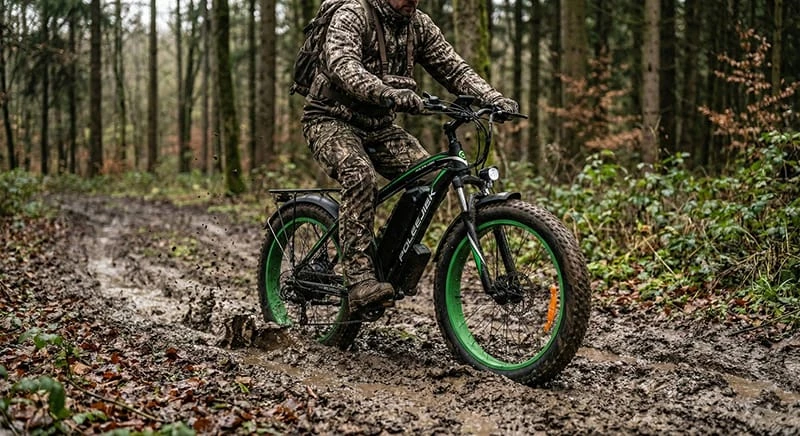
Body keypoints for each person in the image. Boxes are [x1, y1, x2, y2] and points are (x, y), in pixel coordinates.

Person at [302, 0, 519, 314]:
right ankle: (359, 277)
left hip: (380, 127)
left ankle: (387, 255)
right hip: (329, 119)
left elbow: (453, 67)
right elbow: (342, 63)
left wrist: (493, 98)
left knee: (430, 177)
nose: (412, 1)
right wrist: (387, 93)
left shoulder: (419, 24)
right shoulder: (352, 13)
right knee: (359, 174)